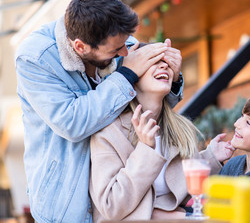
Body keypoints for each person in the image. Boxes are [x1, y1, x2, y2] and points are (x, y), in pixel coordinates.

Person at [15, 0, 184, 223]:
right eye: (116, 51)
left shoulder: (116, 39)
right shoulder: (34, 58)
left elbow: (148, 100)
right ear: (80, 47)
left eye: (126, 44)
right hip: (65, 202)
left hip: (117, 197)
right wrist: (127, 75)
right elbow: (72, 123)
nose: (125, 52)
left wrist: (173, 77)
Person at [89, 43, 235, 221]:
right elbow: (110, 206)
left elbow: (186, 192)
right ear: (130, 74)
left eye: (165, 61)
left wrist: (211, 158)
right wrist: (145, 149)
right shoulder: (108, 133)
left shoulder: (181, 129)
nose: (164, 65)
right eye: (153, 61)